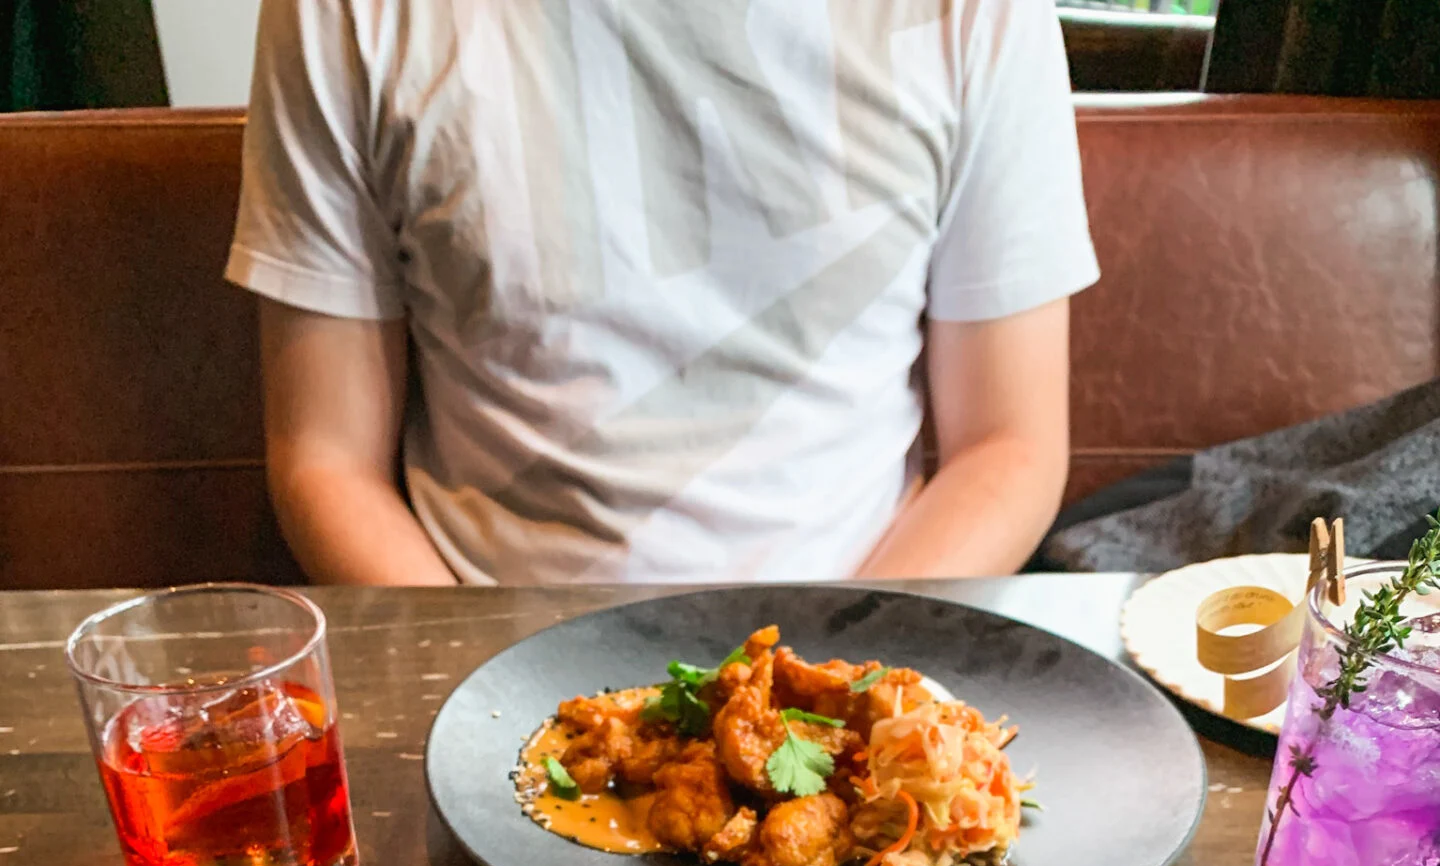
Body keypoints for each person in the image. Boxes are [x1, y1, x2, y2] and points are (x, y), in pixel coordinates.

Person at [227, 0, 1098, 587]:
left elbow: (1007, 445)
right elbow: (326, 459)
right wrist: (486, 706)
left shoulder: (981, 14)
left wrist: (835, 678)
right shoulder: (341, 13)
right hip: (494, 658)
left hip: (865, 636)